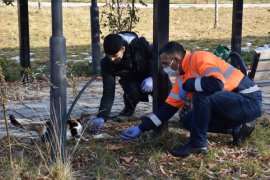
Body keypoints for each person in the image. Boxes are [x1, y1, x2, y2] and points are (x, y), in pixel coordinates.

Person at [120, 41, 262, 157]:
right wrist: (141, 128)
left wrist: (190, 85)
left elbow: (217, 83)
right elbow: (168, 109)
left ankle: (198, 144)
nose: (163, 68)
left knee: (201, 94)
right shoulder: (180, 78)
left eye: (164, 63)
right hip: (234, 104)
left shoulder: (200, 58)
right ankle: (238, 128)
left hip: (249, 101)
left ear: (175, 60)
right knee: (188, 121)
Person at [88, 32, 170, 131]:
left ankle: (164, 114)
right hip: (133, 83)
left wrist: (153, 77)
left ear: (123, 49)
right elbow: (108, 93)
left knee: (164, 95)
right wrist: (101, 116)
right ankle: (129, 108)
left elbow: (160, 60)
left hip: (153, 77)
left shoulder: (141, 45)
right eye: (109, 56)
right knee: (131, 88)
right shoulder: (106, 64)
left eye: (115, 55)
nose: (112, 59)